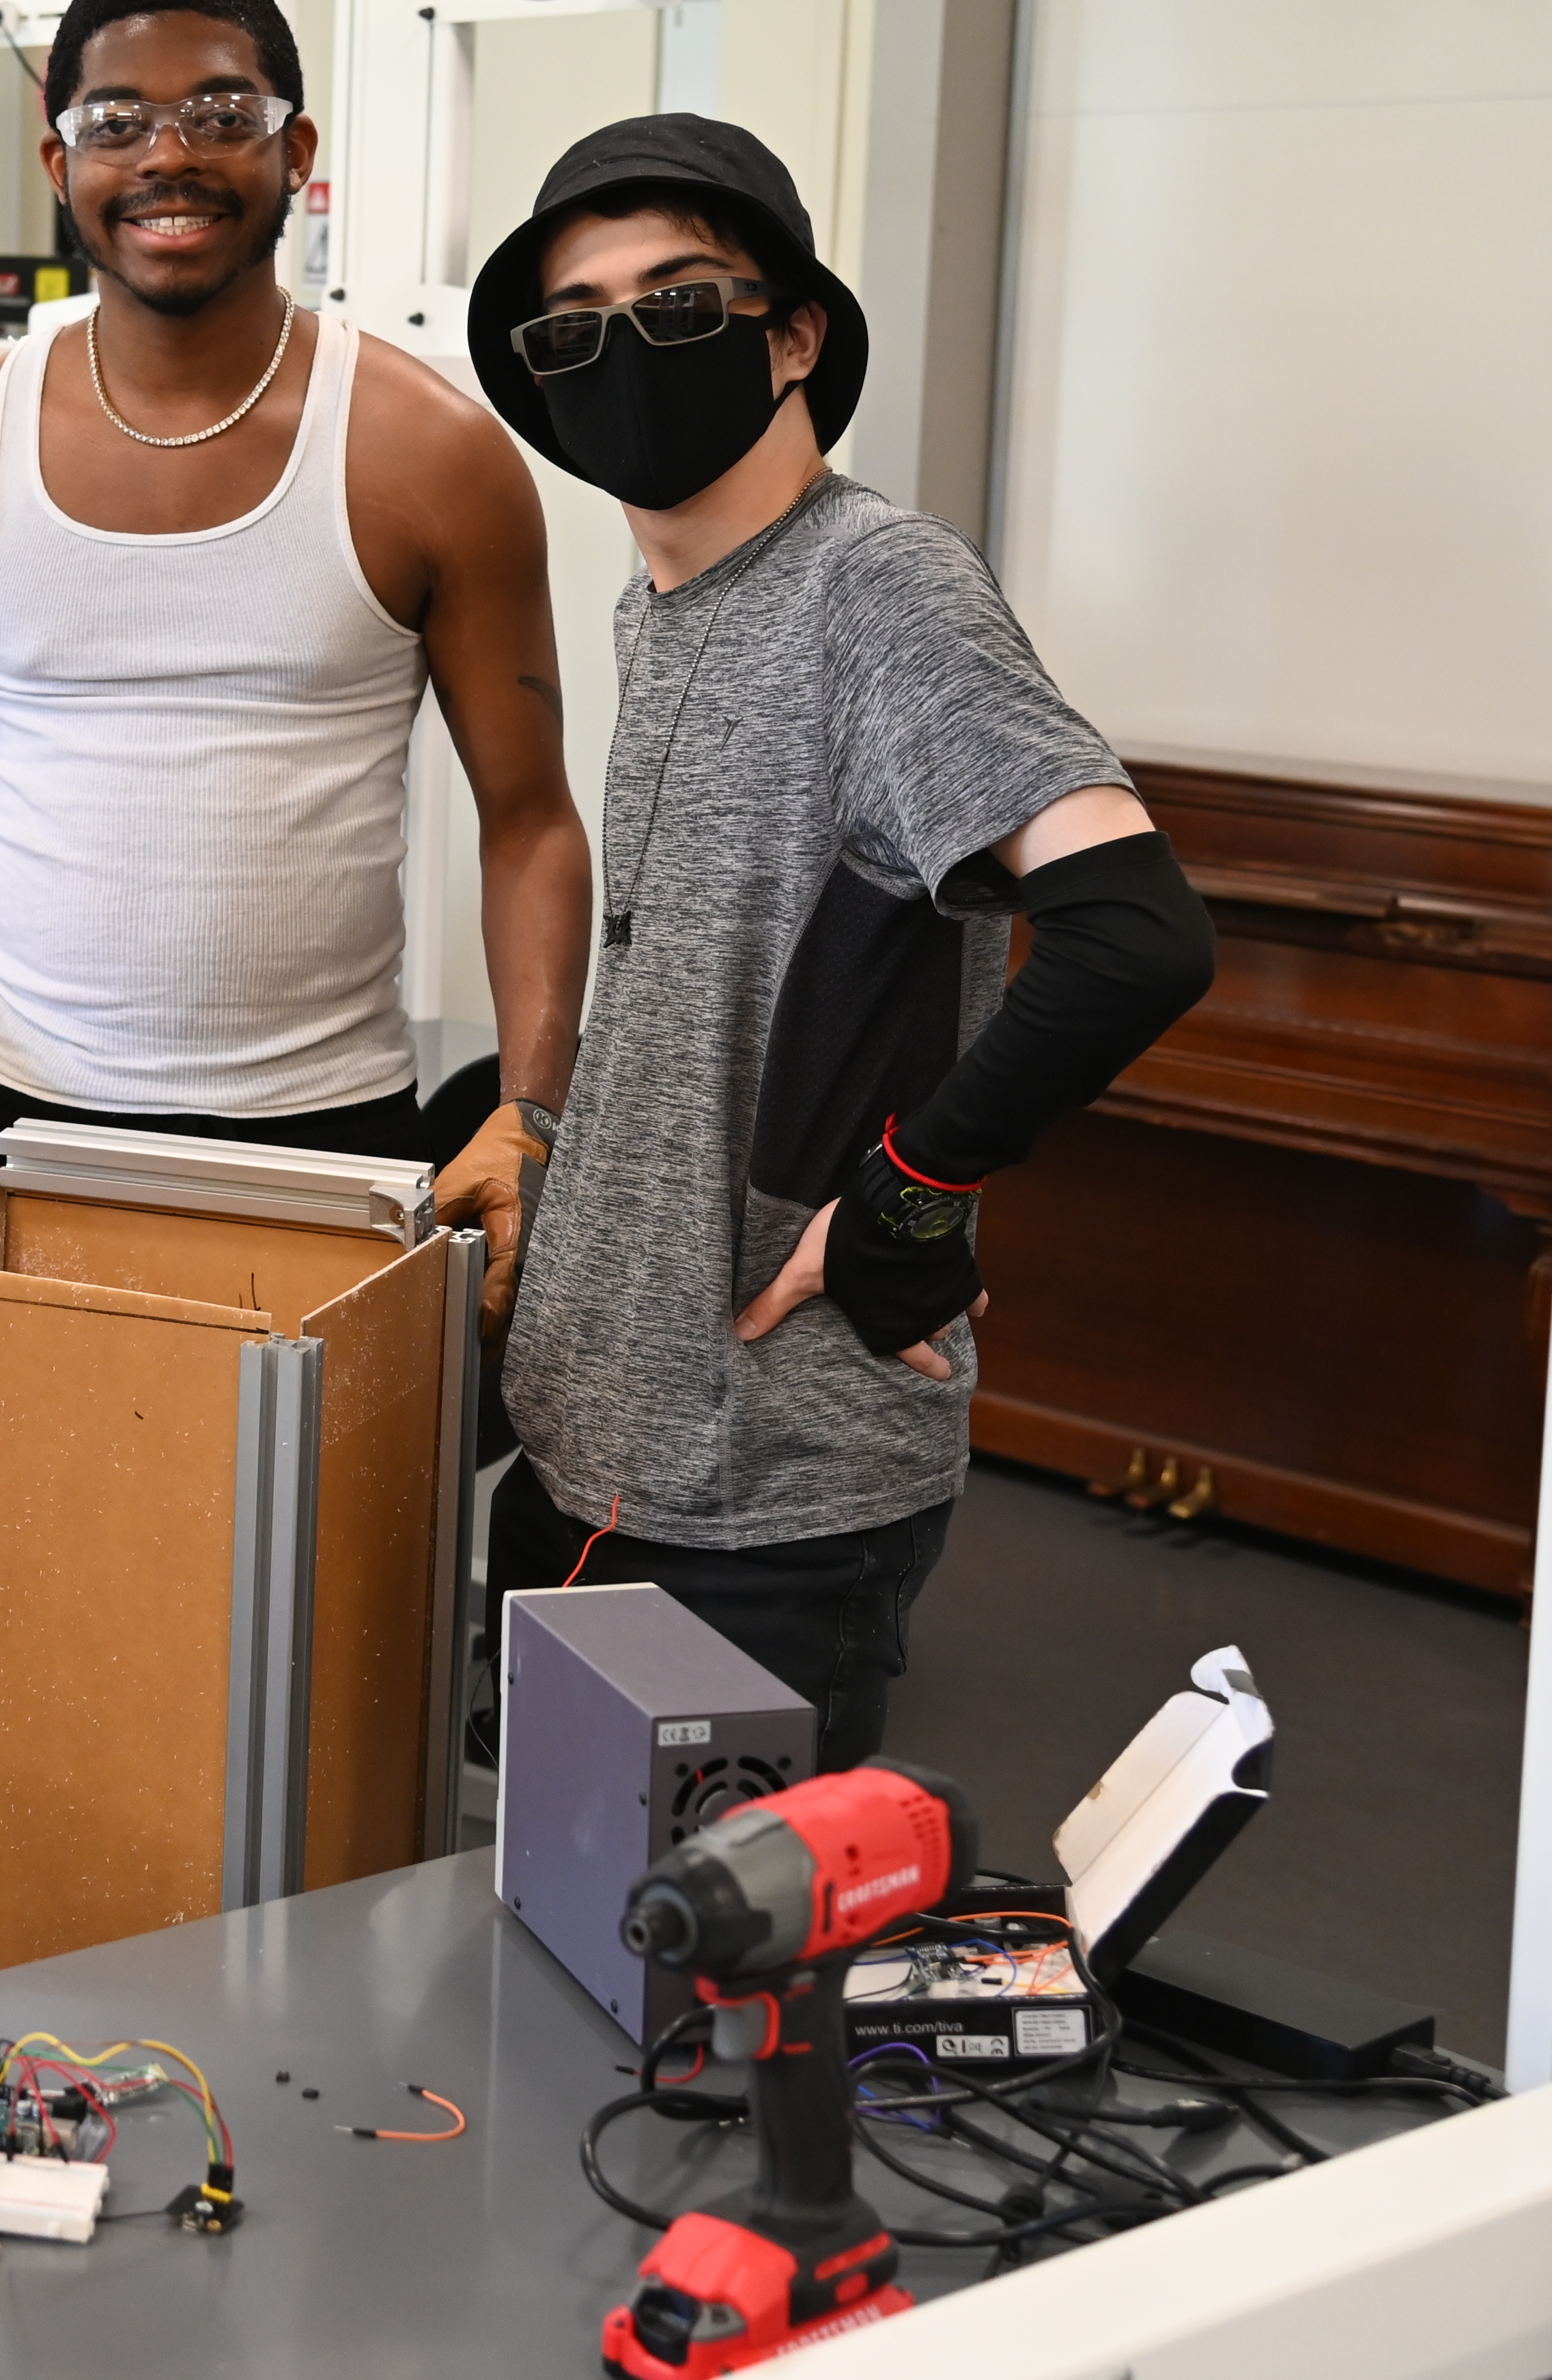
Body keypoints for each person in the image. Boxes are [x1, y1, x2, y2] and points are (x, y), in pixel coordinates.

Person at [468, 115, 1217, 1763]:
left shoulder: (879, 590)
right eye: (576, 321)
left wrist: (910, 1186)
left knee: (709, 1993)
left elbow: (1134, 934)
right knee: (540, 1963)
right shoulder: (660, 603)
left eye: (682, 299)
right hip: (603, 1432)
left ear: (794, 335)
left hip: (765, 1476)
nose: (626, 348)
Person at [0, 0, 588, 1318]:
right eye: (115, 120)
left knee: (297, 1534)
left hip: (329, 1135)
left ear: (296, 150)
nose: (167, 155)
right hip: (16, 1115)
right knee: (19, 1523)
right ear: (60, 166)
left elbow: (530, 817)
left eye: (221, 114)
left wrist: (534, 1107)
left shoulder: (434, 457)